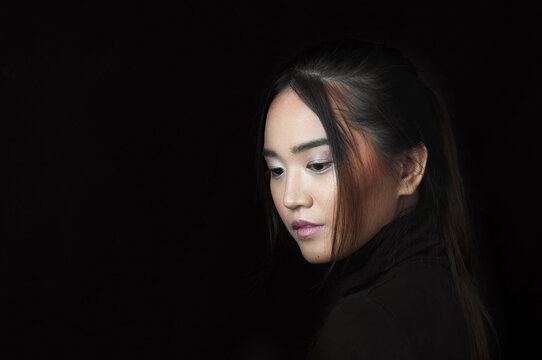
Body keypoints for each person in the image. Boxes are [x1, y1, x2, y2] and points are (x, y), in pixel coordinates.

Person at [255, 39, 498, 359]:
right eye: (276, 170)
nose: (290, 198)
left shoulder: (365, 325)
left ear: (408, 170)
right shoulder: (451, 291)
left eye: (318, 164)